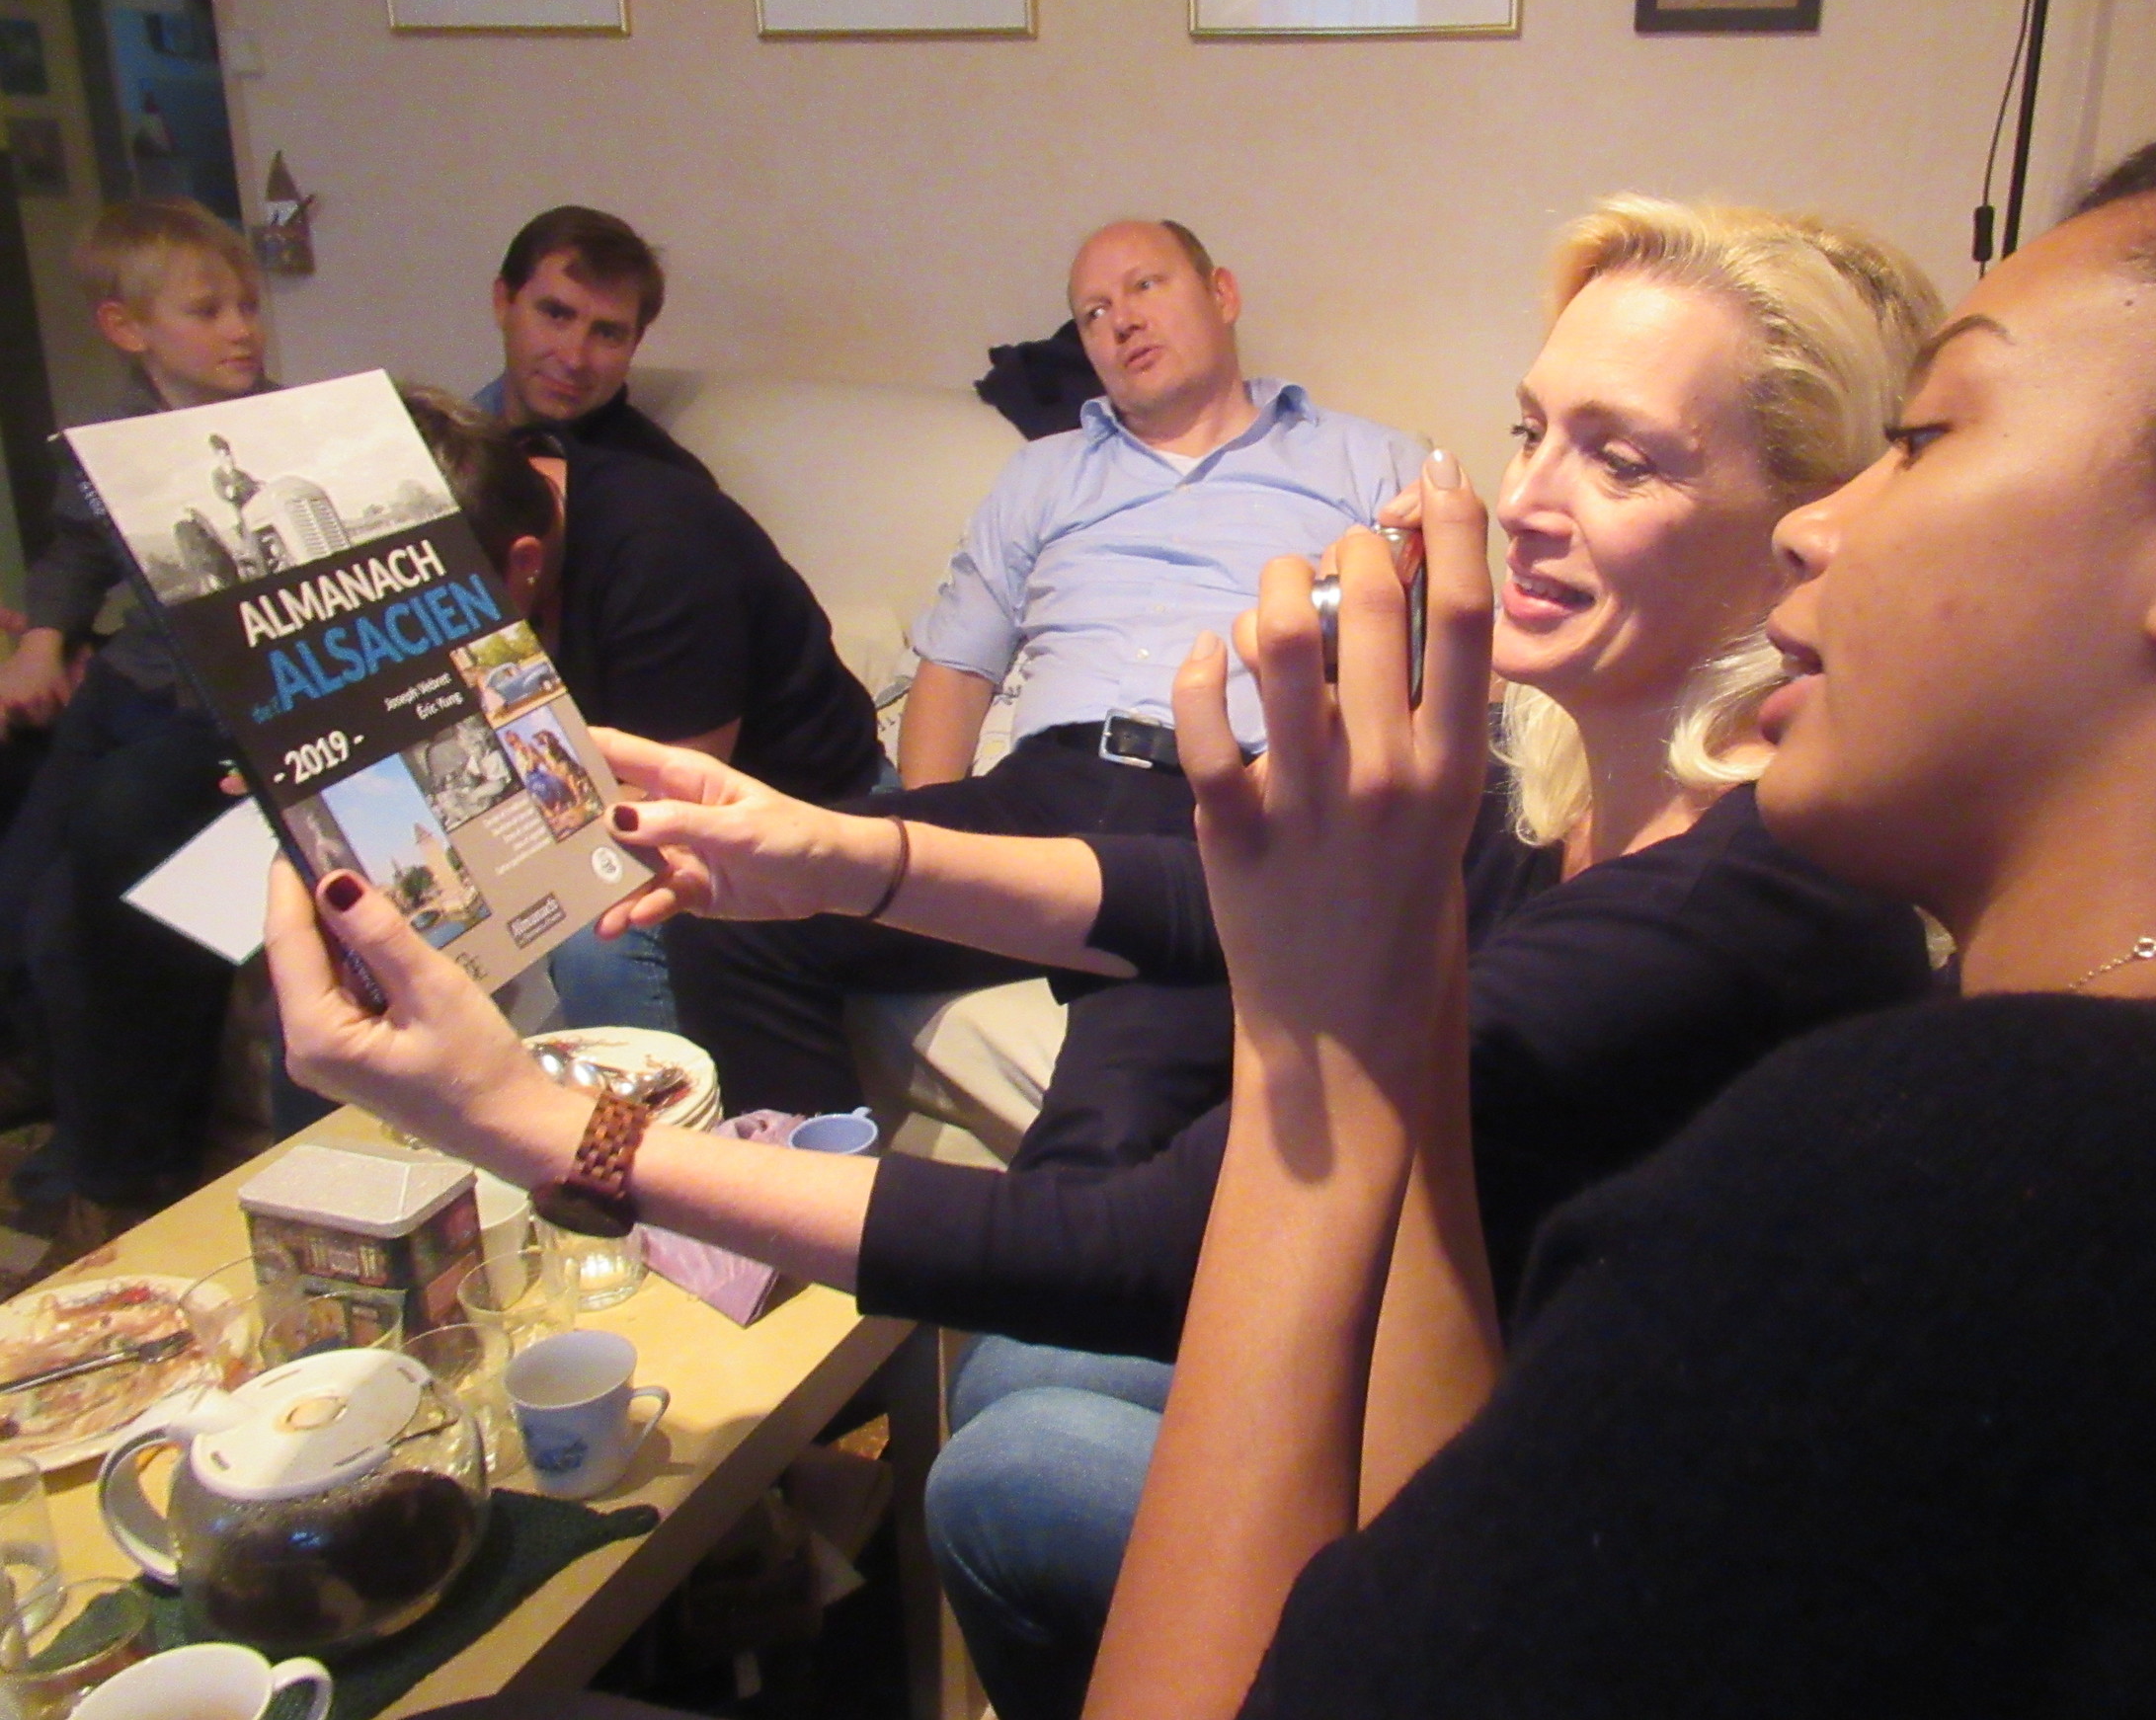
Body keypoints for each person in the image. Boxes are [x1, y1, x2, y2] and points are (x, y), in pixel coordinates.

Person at [263, 199, 1945, 1714]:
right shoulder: (1544, 770)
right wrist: (835, 848)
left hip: (1540, 1521)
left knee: (1010, 1467)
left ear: (1809, 526)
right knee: (1009, 1369)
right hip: (1401, 1325)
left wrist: (552, 1130)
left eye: (1622, 461)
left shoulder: (1730, 907)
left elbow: (1141, 1238)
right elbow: (1189, 894)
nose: (1527, 504)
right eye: (1529, 432)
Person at [1060, 110, 2156, 1718]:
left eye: (1927, 435)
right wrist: (1400, 982)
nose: (1812, 522)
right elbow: (1462, 1605)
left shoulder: (1944, 1173)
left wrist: (1310, 1060)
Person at [664, 217, 1424, 1111]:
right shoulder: (1044, 473)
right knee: (734, 915)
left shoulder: (1370, 461)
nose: (1122, 321)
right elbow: (957, 670)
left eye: (1145, 287)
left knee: (1115, 1109)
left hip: (1225, 810)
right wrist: (931, 848)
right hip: (1041, 792)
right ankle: (808, 1184)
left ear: (1222, 294)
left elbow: (1432, 680)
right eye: (1093, 312)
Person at [418, 394, 883, 1031]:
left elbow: (670, 802)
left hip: (806, 805)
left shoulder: (664, 549)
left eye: (442, 618)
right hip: (631, 792)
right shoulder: (496, 504)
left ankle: (672, 1100)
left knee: (600, 942)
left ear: (524, 563)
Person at [0, 198, 272, 1226]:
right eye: (207, 311)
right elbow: (74, 555)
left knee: (102, 906)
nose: (241, 329)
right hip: (126, 686)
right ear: (127, 328)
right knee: (29, 890)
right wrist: (42, 640)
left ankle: (114, 1171)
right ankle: (50, 1098)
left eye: (246, 306)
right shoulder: (108, 445)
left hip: (213, 715)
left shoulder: (279, 432)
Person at [475, 205, 713, 483]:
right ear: (503, 303)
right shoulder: (447, 440)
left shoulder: (663, 484)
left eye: (607, 334)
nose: (574, 359)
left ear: (635, 343)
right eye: (556, 315)